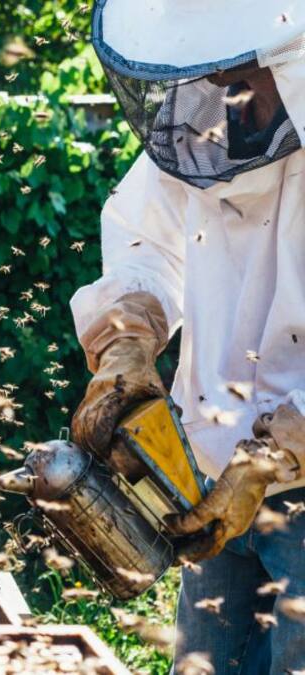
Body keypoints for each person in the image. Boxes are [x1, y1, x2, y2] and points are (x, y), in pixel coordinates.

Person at [72, 0, 305, 671]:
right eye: (207, 67)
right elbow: (146, 241)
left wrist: (274, 457)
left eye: (237, 66)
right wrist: (126, 341)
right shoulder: (202, 122)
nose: (218, 85)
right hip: (213, 477)